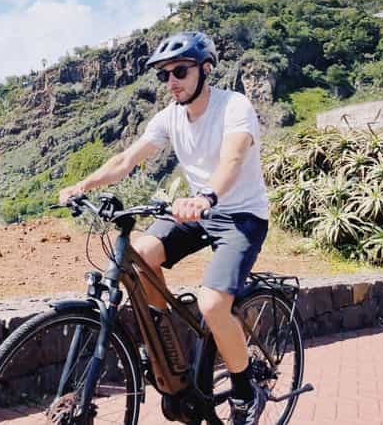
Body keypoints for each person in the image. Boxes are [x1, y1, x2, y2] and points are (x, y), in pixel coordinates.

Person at [59, 31, 270, 424]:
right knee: (138, 257)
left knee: (212, 304)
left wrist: (207, 196)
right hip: (195, 212)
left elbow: (233, 158)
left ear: (205, 70)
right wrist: (83, 185)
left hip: (240, 216)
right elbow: (126, 159)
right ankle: (165, 342)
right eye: (165, 75)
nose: (172, 81)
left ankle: (245, 391)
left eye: (180, 71)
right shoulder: (170, 117)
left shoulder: (234, 106)